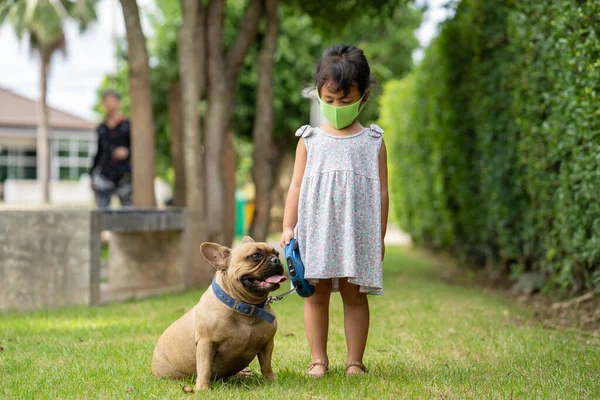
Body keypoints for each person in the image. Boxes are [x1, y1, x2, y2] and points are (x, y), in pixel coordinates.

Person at [280, 45, 389, 378]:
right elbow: (296, 186)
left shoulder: (373, 141)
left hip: (357, 231)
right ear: (318, 95)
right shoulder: (309, 139)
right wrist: (288, 226)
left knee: (355, 295)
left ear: (363, 98)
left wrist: (380, 235)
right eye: (329, 101)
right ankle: (318, 360)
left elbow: (382, 190)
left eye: (345, 101)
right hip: (316, 229)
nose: (337, 108)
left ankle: (355, 361)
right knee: (316, 294)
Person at [90, 90, 133, 208]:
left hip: (125, 174)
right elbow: (98, 152)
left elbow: (136, 149)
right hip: (105, 174)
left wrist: (127, 152)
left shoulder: (127, 126)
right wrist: (92, 174)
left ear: (118, 102)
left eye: (111, 100)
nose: (108, 104)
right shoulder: (102, 128)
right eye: (105, 101)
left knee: (127, 212)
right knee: (102, 212)